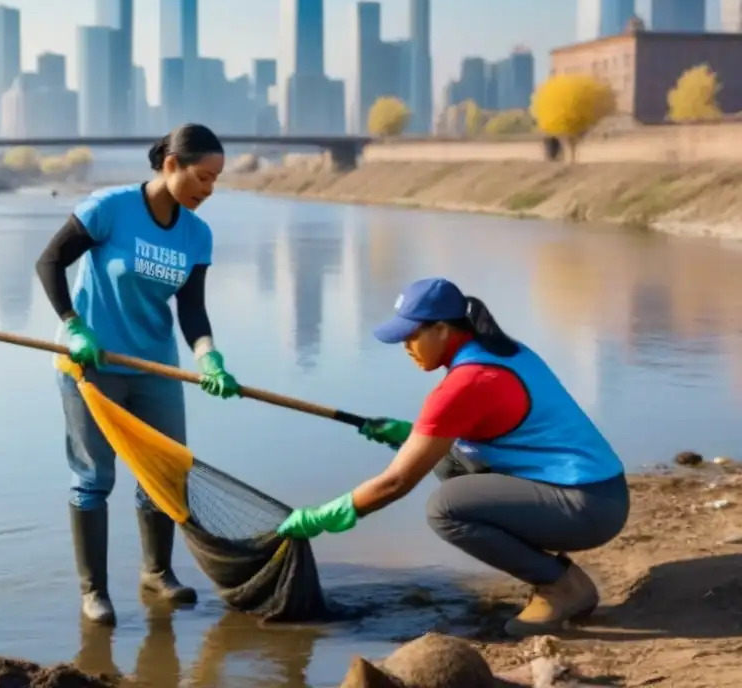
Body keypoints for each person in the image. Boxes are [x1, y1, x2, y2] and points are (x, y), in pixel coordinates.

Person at [276, 277, 630, 637]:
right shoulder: (496, 351)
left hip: (586, 507)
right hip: (599, 492)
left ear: (442, 329)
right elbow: (467, 433)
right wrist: (408, 435)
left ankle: (562, 588)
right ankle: (549, 573)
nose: (406, 348)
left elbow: (397, 482)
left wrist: (326, 516)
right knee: (448, 461)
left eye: (411, 336)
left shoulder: (468, 382)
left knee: (445, 508)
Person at [35, 123, 242, 627]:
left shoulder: (198, 235)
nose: (208, 190)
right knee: (93, 477)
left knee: (165, 470)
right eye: (203, 177)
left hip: (153, 365)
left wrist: (208, 357)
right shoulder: (110, 208)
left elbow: (192, 310)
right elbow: (50, 262)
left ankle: (157, 573)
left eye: (216, 180)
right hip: (91, 363)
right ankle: (94, 593)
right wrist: (74, 327)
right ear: (171, 164)